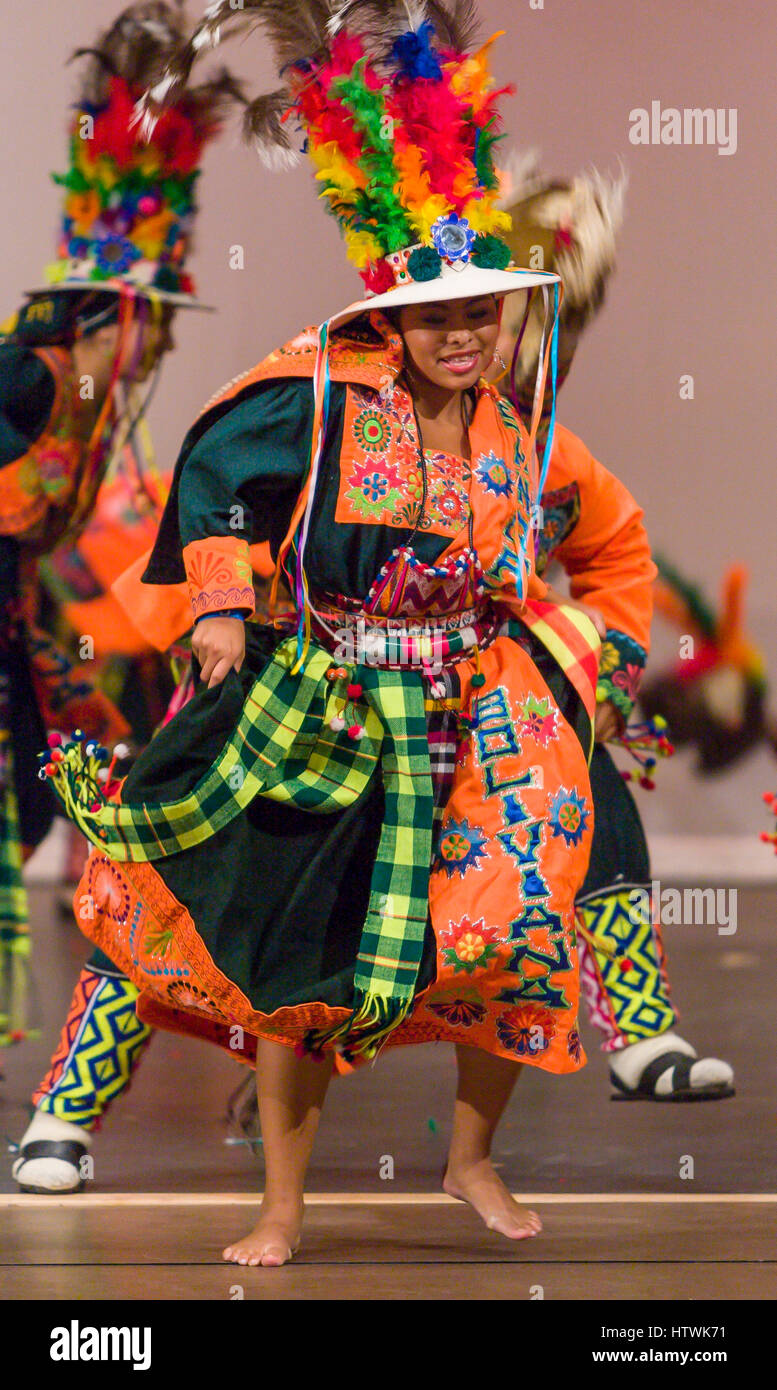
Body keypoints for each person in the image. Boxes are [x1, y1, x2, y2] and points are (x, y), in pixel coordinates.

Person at [40, 1, 639, 1264]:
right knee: (288, 967)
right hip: (326, 705)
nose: (464, 332)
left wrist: (592, 652)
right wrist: (214, 603)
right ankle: (275, 1203)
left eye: (483, 312)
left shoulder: (521, 432)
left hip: (479, 719)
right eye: (440, 315)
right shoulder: (319, 396)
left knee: (518, 935)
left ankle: (469, 1160)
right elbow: (210, 471)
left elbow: (607, 546)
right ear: (396, 319)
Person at [4, 0, 238, 1172]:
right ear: (117, 316)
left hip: (20, 626)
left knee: (66, 785)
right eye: (159, 322)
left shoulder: (97, 408)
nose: (167, 345)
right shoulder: (30, 381)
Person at [490, 153, 734, 1100]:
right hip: (349, 683)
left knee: (599, 808)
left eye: (556, 329)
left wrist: (604, 672)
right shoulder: (360, 410)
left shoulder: (555, 456)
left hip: (497, 691)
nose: (536, 348)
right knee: (244, 874)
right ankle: (75, 1103)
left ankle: (640, 1033)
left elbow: (617, 554)